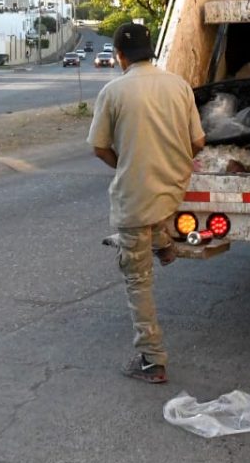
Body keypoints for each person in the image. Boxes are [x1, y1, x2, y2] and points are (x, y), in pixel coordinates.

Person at [87, 23, 206, 384]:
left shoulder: (114, 91)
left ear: (120, 57)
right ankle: (165, 244)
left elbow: (99, 147)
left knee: (138, 280)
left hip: (137, 198)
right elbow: (198, 142)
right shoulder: (180, 85)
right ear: (152, 51)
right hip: (173, 188)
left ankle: (152, 360)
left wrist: (125, 163)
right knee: (154, 206)